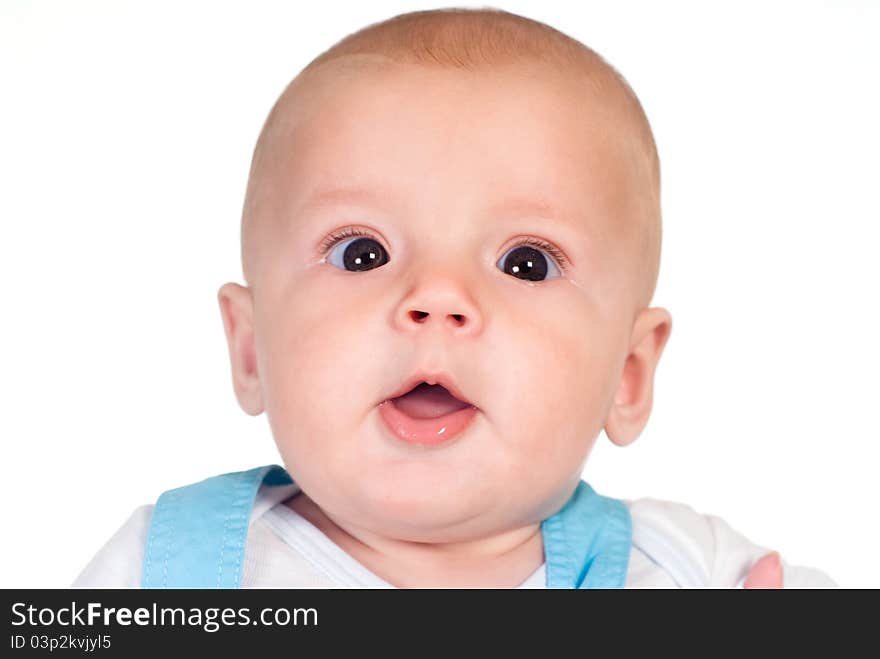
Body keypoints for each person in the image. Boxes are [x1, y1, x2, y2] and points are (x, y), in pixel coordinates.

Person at [72, 7, 836, 589]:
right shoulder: (163, 572)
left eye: (527, 263)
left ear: (628, 376)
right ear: (250, 350)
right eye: (361, 252)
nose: (436, 298)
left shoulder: (687, 571)